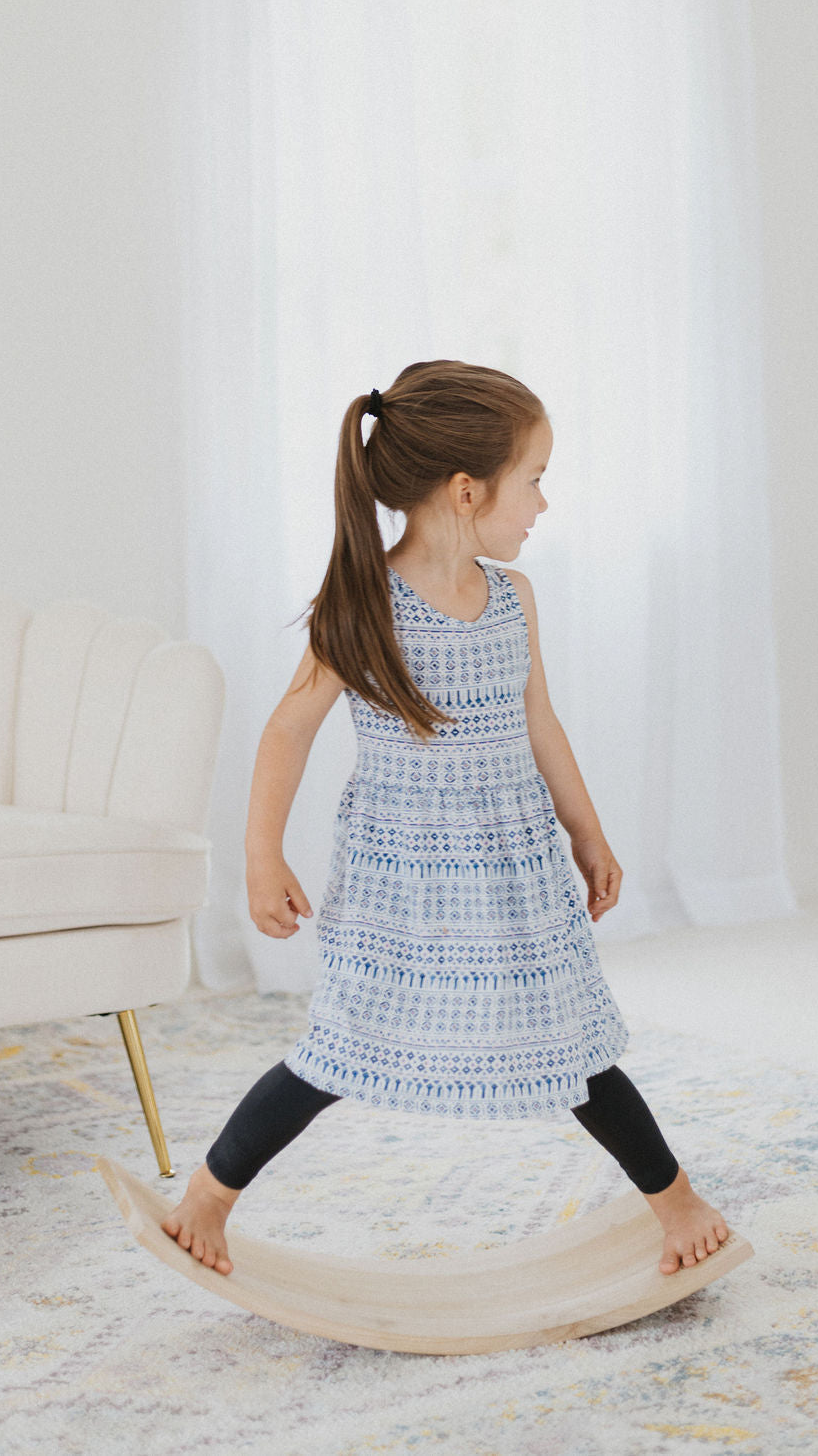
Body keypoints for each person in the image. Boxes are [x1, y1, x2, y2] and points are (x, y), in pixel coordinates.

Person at [162, 360, 731, 1280]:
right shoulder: (364, 605)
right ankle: (208, 1198)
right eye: (536, 478)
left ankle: (677, 1204)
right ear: (468, 491)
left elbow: (537, 718)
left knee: (571, 1042)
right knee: (339, 1049)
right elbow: (287, 730)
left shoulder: (514, 598)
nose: (545, 503)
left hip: (516, 869)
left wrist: (587, 833)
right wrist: (260, 856)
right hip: (406, 880)